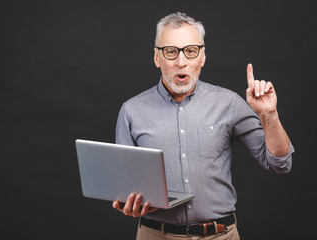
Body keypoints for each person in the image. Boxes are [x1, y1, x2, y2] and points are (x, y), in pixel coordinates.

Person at [112, 12, 294, 239]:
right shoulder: (132, 111)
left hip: (221, 235)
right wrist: (128, 202)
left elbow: (279, 163)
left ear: (203, 56)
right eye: (171, 52)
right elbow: (125, 189)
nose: (181, 61)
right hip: (155, 235)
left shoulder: (229, 103)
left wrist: (270, 115)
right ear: (157, 58)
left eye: (190, 51)